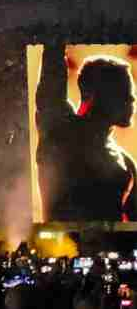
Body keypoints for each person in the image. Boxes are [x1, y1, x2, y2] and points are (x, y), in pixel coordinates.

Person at [36, 43, 137, 221]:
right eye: (122, 91)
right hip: (65, 247)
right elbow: (51, 82)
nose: (131, 98)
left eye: (130, 93)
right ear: (93, 95)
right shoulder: (62, 133)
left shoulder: (128, 164)